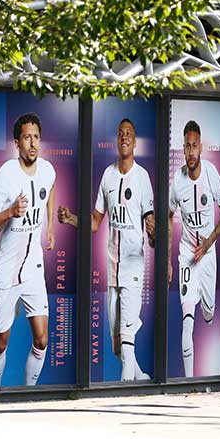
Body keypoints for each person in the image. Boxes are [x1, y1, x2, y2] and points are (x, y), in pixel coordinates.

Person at [58, 118, 154, 381]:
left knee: (126, 335)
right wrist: (70, 219)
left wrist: (156, 236)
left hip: (134, 266)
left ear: (135, 142)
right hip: (112, 268)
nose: (124, 137)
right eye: (120, 133)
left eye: (129, 134)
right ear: (117, 140)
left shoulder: (143, 177)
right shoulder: (108, 176)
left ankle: (123, 388)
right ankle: (140, 377)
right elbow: (95, 222)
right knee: (117, 345)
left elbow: (151, 221)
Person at [0, 113, 56, 387]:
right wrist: (10, 212)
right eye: (27, 137)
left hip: (33, 268)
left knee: (41, 339)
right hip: (6, 270)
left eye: (36, 137)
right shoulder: (6, 175)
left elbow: (50, 188)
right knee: (0, 343)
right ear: (16, 143)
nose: (32, 143)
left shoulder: (47, 169)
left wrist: (51, 226)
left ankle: (28, 394)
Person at [167, 121, 220, 377]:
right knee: (187, 321)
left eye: (195, 146)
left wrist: (210, 241)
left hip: (208, 254)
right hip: (186, 257)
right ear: (183, 149)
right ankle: (189, 382)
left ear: (201, 147)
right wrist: (170, 261)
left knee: (209, 313)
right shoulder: (177, 182)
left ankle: (208, 308)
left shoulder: (212, 174)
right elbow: (169, 215)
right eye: (187, 147)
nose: (191, 152)